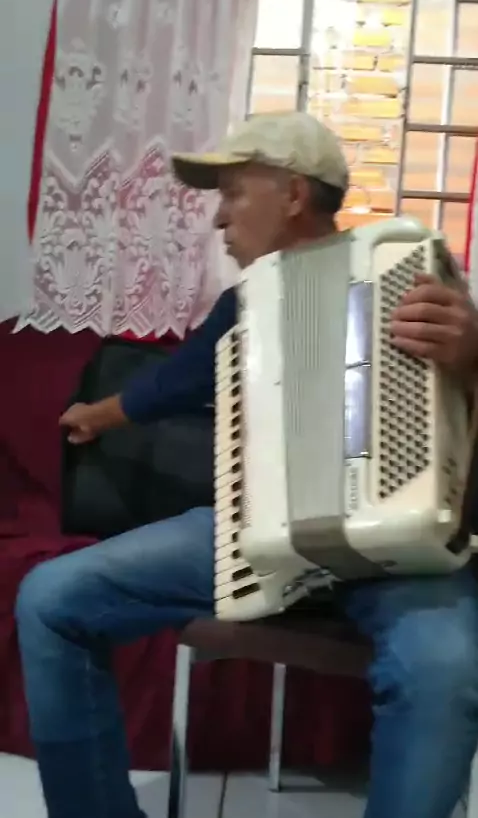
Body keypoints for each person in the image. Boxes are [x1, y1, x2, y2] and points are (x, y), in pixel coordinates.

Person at [15, 112, 478, 818]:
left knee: (443, 667)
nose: (219, 218)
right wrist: (98, 414)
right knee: (51, 598)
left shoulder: (417, 279)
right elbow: (176, 384)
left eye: (233, 194)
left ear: (293, 194)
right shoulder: (247, 302)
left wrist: (473, 358)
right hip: (254, 531)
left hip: (403, 554)